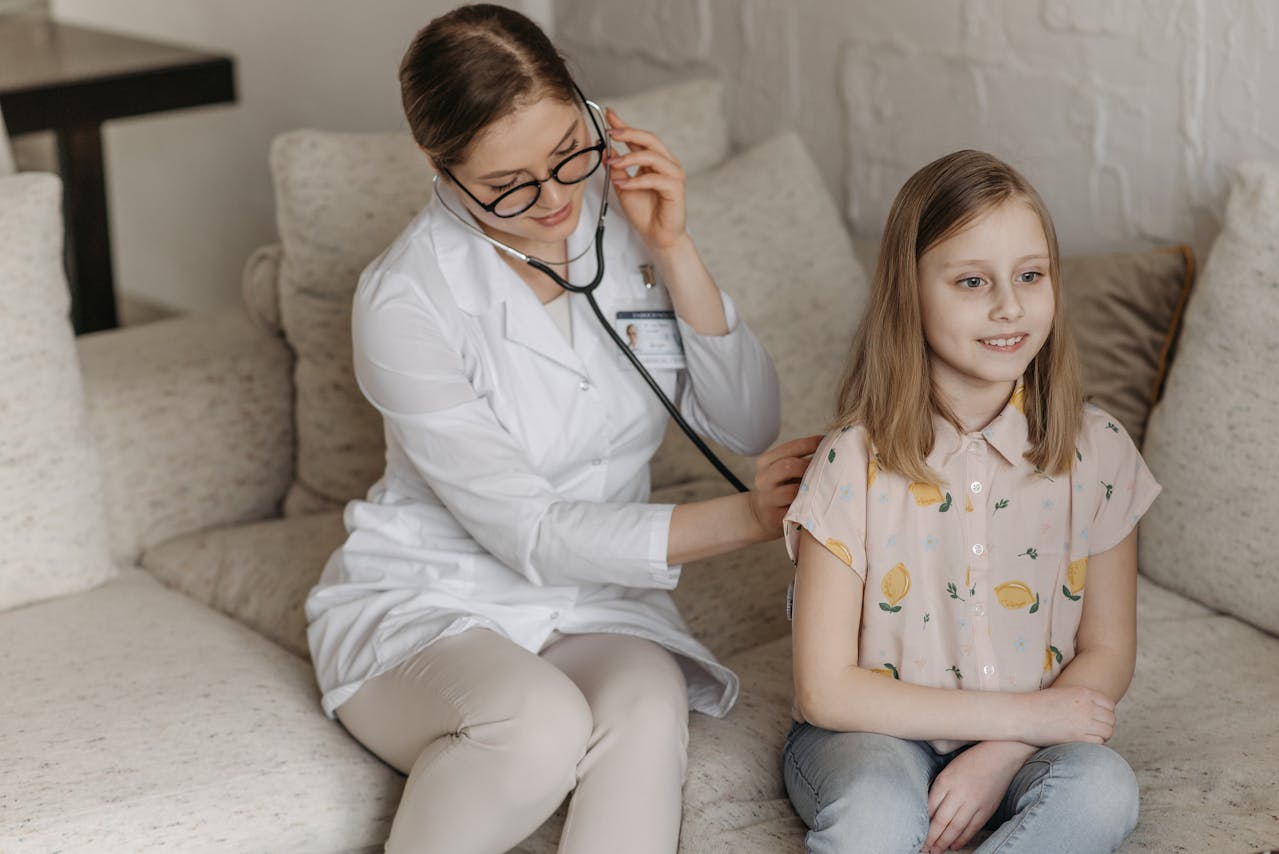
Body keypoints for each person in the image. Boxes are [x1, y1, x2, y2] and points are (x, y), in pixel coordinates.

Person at [304, 5, 817, 853]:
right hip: (432, 596)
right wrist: (751, 519)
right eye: (508, 184)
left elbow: (747, 422)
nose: (553, 201)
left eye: (566, 153)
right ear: (440, 166)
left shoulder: (622, 218)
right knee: (538, 723)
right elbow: (530, 534)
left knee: (646, 704)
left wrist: (675, 247)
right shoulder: (404, 299)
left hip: (594, 603)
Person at [781, 149, 1161, 854]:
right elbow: (823, 692)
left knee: (1102, 790)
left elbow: (1106, 649)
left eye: (1029, 275)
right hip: (868, 738)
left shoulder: (1098, 452)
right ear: (909, 292)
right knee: (872, 816)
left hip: (1032, 744)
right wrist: (1028, 716)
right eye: (970, 281)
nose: (1009, 306)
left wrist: (1004, 747)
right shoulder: (850, 463)